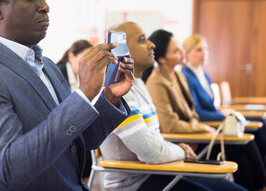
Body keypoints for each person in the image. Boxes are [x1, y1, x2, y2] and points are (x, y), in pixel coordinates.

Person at [0, 0, 134, 191]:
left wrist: (109, 97)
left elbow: (79, 141)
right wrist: (83, 94)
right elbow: (11, 167)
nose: (45, 6)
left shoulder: (45, 65)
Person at [100, 22, 245, 191]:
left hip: (159, 171)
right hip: (137, 183)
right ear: (122, 49)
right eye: (142, 40)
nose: (152, 44)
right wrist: (181, 150)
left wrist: (178, 148)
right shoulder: (120, 91)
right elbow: (150, 153)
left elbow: (153, 141)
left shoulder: (138, 85)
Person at [144, 29, 266, 191]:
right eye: (176, 50)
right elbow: (170, 125)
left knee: (245, 146)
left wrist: (200, 128)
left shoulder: (177, 76)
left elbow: (192, 112)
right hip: (183, 141)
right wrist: (201, 129)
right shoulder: (157, 82)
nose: (182, 52)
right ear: (162, 59)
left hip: (195, 135)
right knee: (242, 148)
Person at [182, 34, 266, 167]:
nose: (205, 53)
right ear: (186, 54)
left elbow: (211, 106)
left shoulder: (203, 74)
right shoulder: (185, 76)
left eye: (206, 49)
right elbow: (197, 112)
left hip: (215, 118)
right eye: (199, 50)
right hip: (208, 124)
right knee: (251, 138)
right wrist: (223, 116)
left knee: (259, 123)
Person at [56, 39, 93, 182]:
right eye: (84, 59)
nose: (87, 64)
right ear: (71, 57)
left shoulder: (83, 76)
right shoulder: (59, 74)